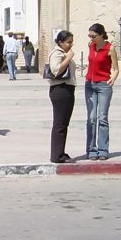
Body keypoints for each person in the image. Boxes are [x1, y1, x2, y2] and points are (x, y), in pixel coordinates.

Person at [85, 23, 119, 161]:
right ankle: (91, 150)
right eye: (89, 36)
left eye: (93, 36)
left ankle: (103, 150)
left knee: (102, 118)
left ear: (101, 35)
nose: (91, 38)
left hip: (104, 85)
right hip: (89, 85)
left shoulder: (110, 48)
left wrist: (113, 79)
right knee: (91, 118)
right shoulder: (91, 45)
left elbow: (116, 69)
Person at [47, 30, 77, 163]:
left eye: (71, 42)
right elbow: (56, 70)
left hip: (67, 89)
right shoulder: (57, 53)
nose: (70, 45)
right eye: (68, 42)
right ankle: (57, 156)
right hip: (61, 89)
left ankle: (60, 152)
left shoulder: (63, 53)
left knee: (64, 123)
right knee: (59, 123)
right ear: (60, 42)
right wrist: (69, 57)